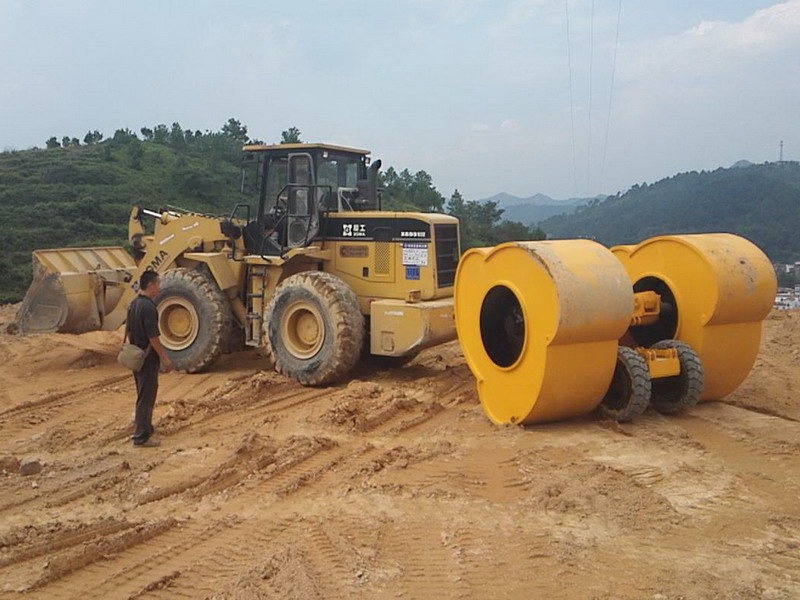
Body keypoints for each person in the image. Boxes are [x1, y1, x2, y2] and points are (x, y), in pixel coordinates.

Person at [127, 271, 172, 447]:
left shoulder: (133, 304)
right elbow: (153, 337)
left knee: (142, 393)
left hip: (136, 356)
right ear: (151, 285)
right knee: (146, 397)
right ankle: (141, 436)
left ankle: (145, 427)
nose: (159, 288)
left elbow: (129, 330)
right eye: (158, 284)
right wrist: (164, 358)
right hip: (147, 358)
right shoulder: (148, 307)